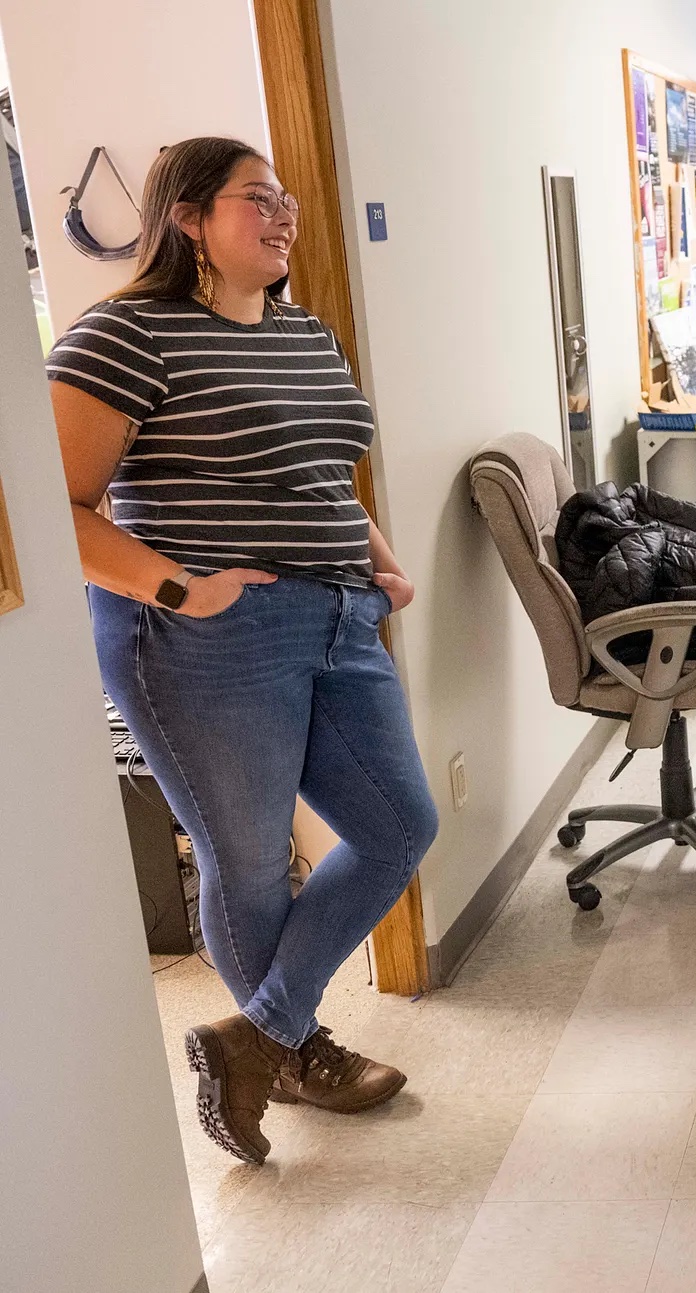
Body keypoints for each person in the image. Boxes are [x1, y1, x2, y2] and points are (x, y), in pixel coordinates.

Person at [47, 138, 437, 1164]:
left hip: (338, 618)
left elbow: (322, 473)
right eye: (256, 200)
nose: (283, 216)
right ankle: (300, 1052)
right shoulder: (124, 336)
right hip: (203, 636)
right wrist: (183, 588)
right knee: (252, 862)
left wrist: (382, 561)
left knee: (398, 825)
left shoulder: (299, 328)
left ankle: (253, 1039)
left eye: (286, 201)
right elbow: (55, 506)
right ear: (186, 217)